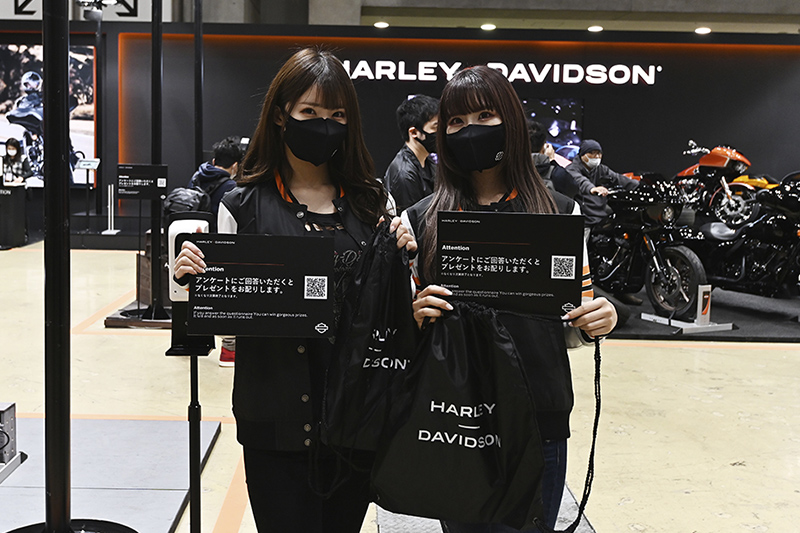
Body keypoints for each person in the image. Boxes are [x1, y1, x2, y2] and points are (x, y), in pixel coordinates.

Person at [173, 47, 415, 532]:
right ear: (281, 115)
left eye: (337, 115)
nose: (324, 124)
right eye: (310, 111)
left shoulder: (374, 201)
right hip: (273, 415)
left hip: (357, 414)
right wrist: (189, 283)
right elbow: (225, 328)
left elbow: (394, 309)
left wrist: (407, 261)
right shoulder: (240, 204)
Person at [401, 65, 617, 532]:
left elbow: (576, 316)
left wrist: (598, 317)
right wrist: (412, 315)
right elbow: (402, 324)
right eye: (456, 121)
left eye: (485, 116)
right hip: (454, 415)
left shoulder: (560, 212)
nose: (470, 130)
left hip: (538, 411)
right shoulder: (420, 218)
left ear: (512, 122)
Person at [187, 136, 243, 367]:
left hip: (193, 247)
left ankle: (191, 342)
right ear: (235, 165)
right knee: (230, 299)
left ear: (214, 160)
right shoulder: (232, 189)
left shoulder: (195, 179)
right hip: (221, 249)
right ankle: (228, 351)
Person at [566, 139, 641, 305]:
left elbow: (620, 179)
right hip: (584, 218)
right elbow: (579, 181)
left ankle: (621, 290)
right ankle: (574, 289)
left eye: (598, 153)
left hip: (602, 216)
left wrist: (641, 186)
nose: (596, 157)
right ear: (582, 154)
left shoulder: (601, 170)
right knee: (579, 253)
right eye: (592, 153)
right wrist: (592, 188)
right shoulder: (572, 169)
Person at [383, 94, 439, 213]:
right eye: (436, 127)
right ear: (414, 132)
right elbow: (412, 220)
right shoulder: (404, 174)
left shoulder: (428, 162)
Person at [187, 135, 243, 218]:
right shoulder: (232, 187)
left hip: (193, 224)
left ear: (213, 161)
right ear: (235, 166)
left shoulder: (196, 177)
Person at [527, 118, 578, 199]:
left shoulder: (509, 170)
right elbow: (574, 190)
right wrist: (552, 160)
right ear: (544, 146)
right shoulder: (557, 174)